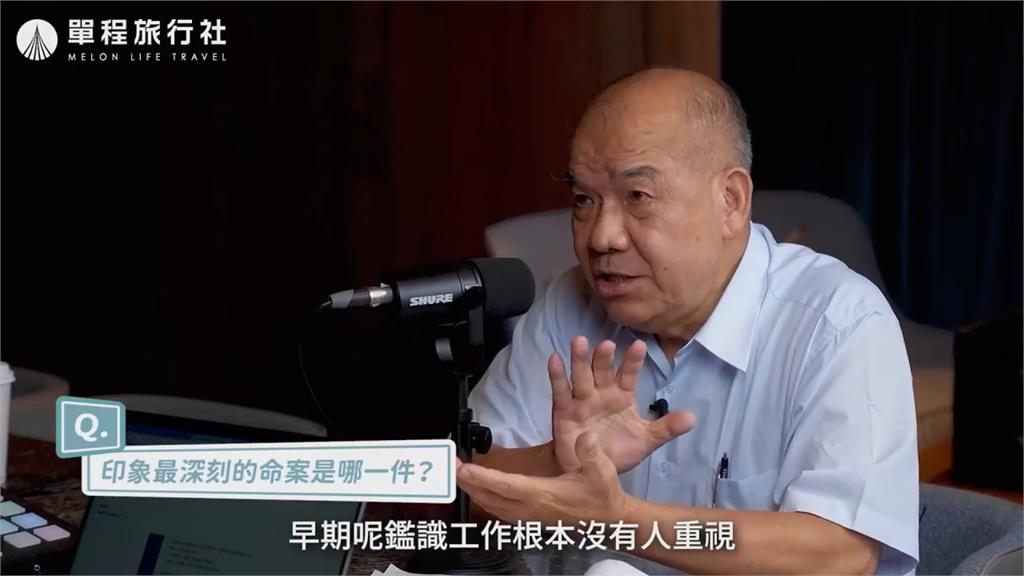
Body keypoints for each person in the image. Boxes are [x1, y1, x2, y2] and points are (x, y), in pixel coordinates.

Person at [460, 68, 919, 575]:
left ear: (731, 201)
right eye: (584, 200)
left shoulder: (836, 322)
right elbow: (457, 489)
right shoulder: (568, 306)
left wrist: (617, 519)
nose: (601, 237)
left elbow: (840, 555)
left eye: (638, 197)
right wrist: (555, 463)